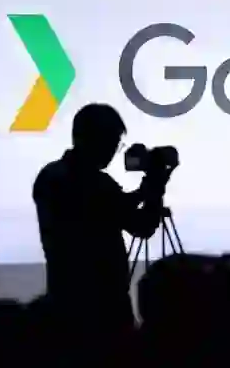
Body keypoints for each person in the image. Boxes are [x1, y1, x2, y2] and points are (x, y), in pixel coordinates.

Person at [32, 103, 171, 364]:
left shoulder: (51, 177)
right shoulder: (95, 184)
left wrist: (144, 191)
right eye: (112, 142)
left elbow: (109, 208)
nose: (113, 151)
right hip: (104, 311)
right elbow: (141, 225)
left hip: (64, 301)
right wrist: (154, 191)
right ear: (94, 139)